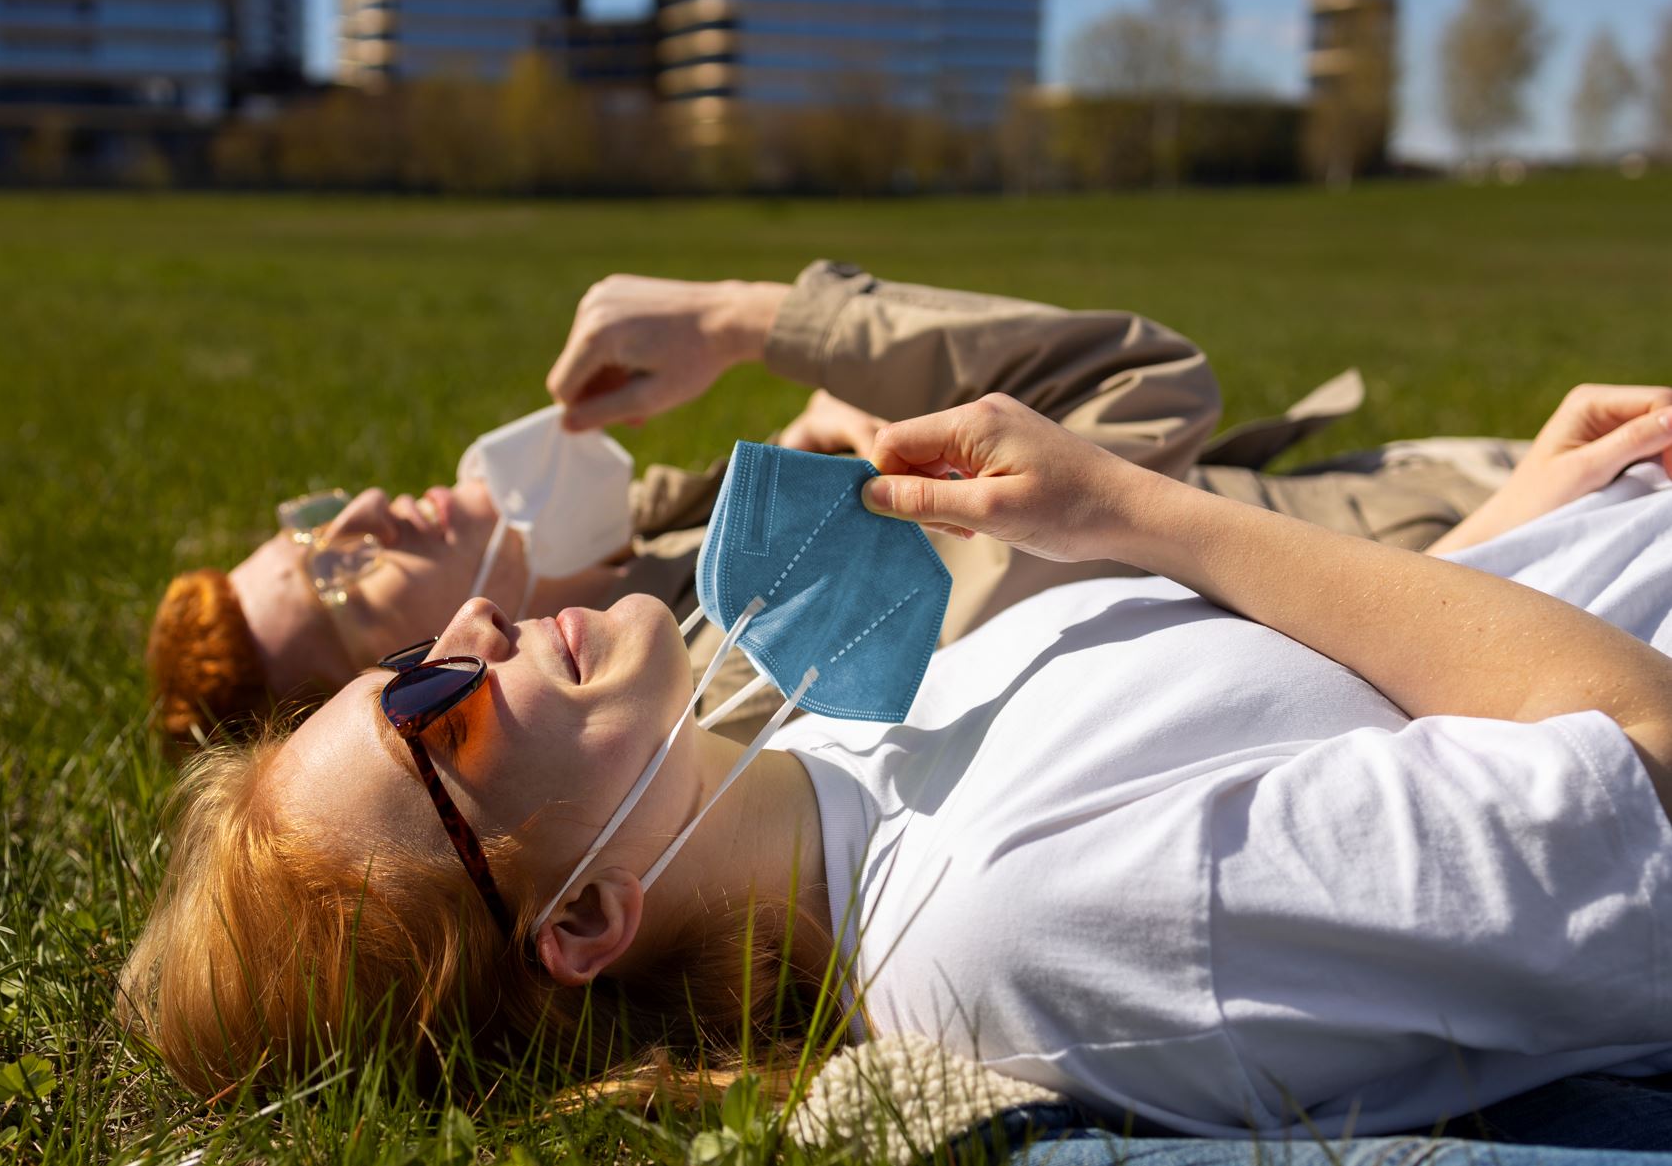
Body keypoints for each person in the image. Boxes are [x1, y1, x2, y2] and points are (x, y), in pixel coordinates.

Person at [117, 375, 1672, 1141]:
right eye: (434, 713)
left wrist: (1519, 527)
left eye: (414, 654)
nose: (475, 621)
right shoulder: (1025, 925)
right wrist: (1140, 511)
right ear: (579, 921)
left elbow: (1336, 706)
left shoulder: (838, 735)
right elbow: (1649, 765)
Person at [145, 264, 1549, 750]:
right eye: (341, 581)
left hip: (1442, 496)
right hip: (1498, 572)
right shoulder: (765, 645)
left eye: (314, 516)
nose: (371, 513)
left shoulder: (657, 557)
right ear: (430, 688)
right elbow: (1141, 388)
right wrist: (756, 317)